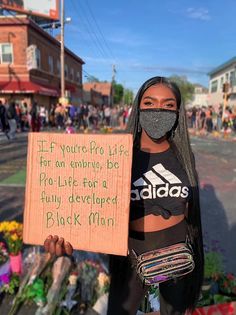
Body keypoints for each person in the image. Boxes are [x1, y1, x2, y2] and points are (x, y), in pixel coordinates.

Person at [44, 76, 204, 315]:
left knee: (174, 312)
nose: (158, 110)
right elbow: (90, 208)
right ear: (137, 107)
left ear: (178, 113)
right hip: (130, 257)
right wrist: (67, 236)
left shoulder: (185, 156)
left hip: (177, 256)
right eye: (149, 103)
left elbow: (191, 212)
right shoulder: (116, 154)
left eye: (168, 105)